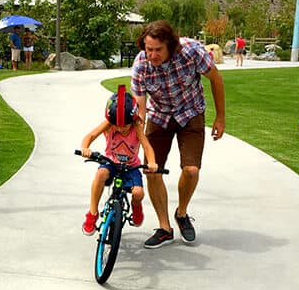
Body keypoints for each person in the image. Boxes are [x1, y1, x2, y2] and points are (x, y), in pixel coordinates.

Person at [130, 20, 226, 249]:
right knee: (152, 169)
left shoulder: (191, 51)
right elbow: (141, 106)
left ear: (170, 46)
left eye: (157, 50)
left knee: (191, 170)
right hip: (160, 116)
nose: (152, 55)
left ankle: (181, 213)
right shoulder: (141, 64)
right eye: (148, 49)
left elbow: (216, 78)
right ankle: (164, 228)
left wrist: (220, 117)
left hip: (190, 113)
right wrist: (137, 138)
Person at [80, 86, 157, 235]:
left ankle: (136, 206)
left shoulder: (137, 128)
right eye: (117, 125)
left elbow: (147, 147)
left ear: (133, 119)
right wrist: (85, 148)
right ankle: (92, 213)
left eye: (125, 125)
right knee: (100, 174)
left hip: (131, 167)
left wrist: (152, 162)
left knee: (138, 193)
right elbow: (90, 136)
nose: (121, 129)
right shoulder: (109, 124)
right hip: (111, 162)